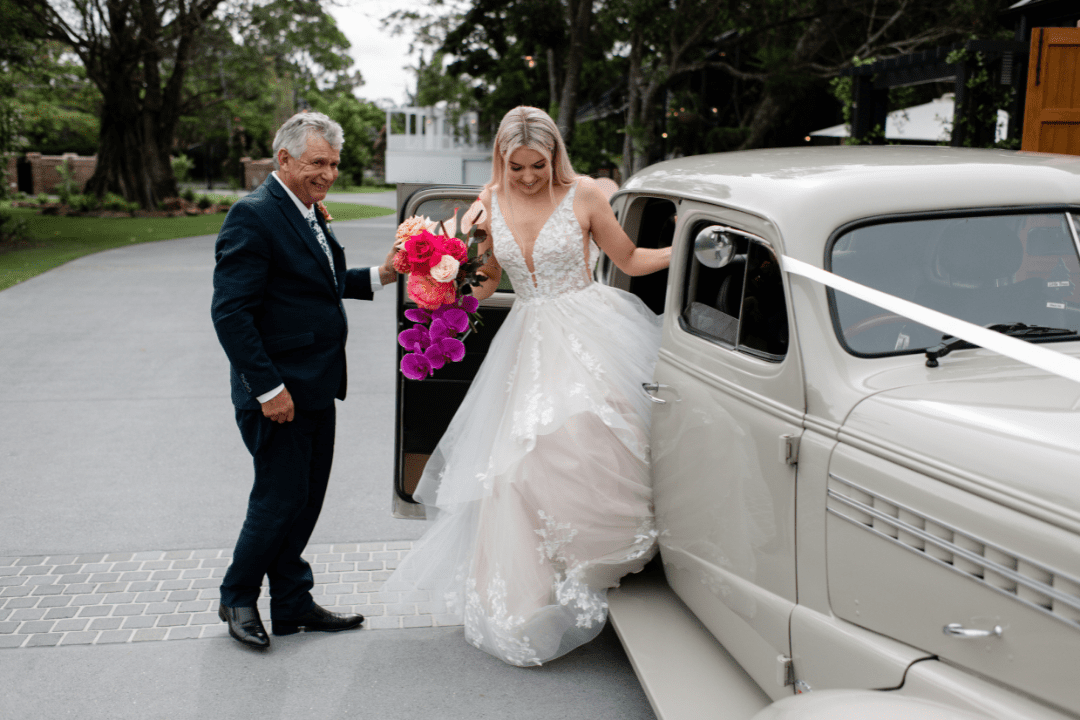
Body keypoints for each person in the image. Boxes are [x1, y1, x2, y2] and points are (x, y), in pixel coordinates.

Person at [384, 106, 671, 666]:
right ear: (501, 159)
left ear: (554, 155)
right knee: (516, 468)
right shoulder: (488, 203)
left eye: (537, 165)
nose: (529, 177)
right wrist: (446, 280)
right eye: (516, 167)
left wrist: (686, 253)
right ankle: (530, 594)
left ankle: (603, 555)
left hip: (590, 327)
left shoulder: (587, 194)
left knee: (592, 437)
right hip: (530, 336)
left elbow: (629, 259)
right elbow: (489, 277)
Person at [211, 111, 398, 649]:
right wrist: (268, 390)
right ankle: (237, 596)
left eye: (335, 164)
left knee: (306, 497)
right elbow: (231, 314)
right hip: (278, 392)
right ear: (285, 159)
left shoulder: (309, 210)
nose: (329, 173)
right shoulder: (254, 215)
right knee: (278, 497)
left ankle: (291, 602)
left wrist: (385, 274)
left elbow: (323, 281)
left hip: (316, 384)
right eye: (318, 162)